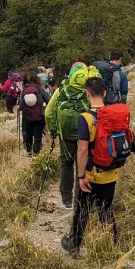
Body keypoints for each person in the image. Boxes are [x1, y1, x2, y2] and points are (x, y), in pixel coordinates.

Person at [61, 76, 123, 255]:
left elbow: (82, 150)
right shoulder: (113, 114)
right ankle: (113, 245)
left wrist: (81, 176)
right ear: (104, 93)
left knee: (82, 211)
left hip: (91, 173)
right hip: (111, 172)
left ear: (87, 94)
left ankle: (74, 244)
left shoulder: (86, 118)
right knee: (106, 209)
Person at [45, 62, 99, 208]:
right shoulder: (88, 89)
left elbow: (48, 113)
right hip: (86, 131)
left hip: (66, 132)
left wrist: (53, 130)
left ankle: (66, 197)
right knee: (83, 161)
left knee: (66, 163)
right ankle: (81, 195)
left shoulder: (62, 89)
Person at [18, 68, 50, 155]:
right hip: (39, 116)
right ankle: (36, 153)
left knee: (28, 134)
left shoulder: (24, 90)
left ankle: (28, 150)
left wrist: (20, 109)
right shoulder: (41, 89)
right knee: (37, 135)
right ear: (37, 79)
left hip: (27, 116)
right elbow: (48, 101)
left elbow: (21, 105)